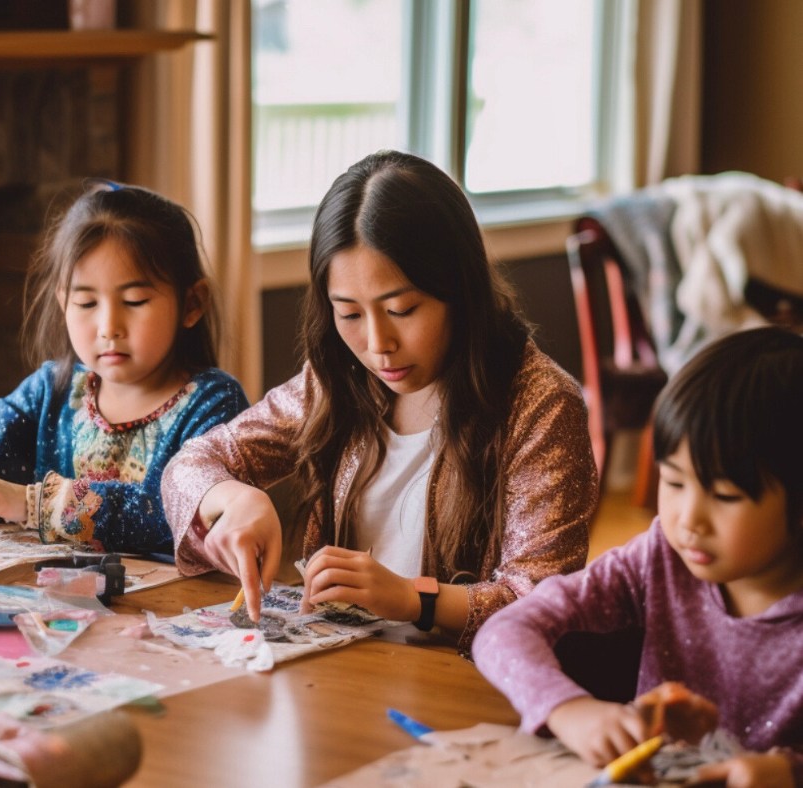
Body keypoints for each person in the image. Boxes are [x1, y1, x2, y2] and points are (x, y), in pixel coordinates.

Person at [160, 150, 598, 654]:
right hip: (349, 672)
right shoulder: (338, 379)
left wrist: (413, 598)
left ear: (461, 289)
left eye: (401, 309)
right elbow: (193, 461)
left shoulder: (541, 405)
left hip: (467, 689)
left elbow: (540, 603)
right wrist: (234, 499)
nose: (377, 343)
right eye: (348, 314)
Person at [473, 326, 803, 786]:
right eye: (674, 482)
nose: (689, 519)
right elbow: (504, 632)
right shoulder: (661, 557)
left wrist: (785, 772)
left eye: (725, 496)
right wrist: (569, 710)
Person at [0, 181, 249, 555]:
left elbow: (172, 511)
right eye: (87, 303)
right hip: (57, 603)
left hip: (173, 607)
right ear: (63, 302)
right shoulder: (51, 388)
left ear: (191, 304)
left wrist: (30, 503)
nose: (109, 327)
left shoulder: (215, 404)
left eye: (134, 301)